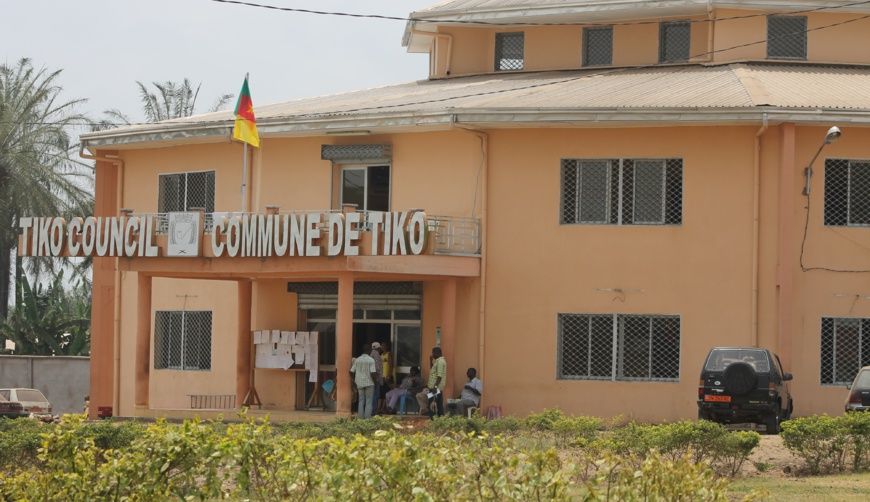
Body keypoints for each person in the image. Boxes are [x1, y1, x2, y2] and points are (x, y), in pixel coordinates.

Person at [416, 346, 447, 418]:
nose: (432, 354)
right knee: (438, 404)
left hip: (435, 388)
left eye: (433, 353)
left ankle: (433, 420)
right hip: (435, 388)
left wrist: (435, 387)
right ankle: (440, 419)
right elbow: (433, 371)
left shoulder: (440, 361)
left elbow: (439, 376)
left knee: (432, 404)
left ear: (437, 353)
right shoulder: (438, 361)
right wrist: (430, 361)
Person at [350, 344, 377, 418]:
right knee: (369, 402)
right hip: (369, 383)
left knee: (361, 401)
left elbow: (351, 371)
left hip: (359, 383)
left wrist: (354, 380)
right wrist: (375, 381)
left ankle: (360, 418)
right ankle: (367, 419)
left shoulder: (357, 360)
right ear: (369, 351)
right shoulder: (371, 360)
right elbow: (373, 373)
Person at [370, 342, 384, 415]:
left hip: (373, 378)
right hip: (376, 379)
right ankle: (373, 411)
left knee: (374, 395)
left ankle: (373, 410)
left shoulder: (372, 354)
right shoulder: (376, 355)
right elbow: (376, 368)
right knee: (375, 395)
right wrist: (376, 379)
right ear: (378, 348)